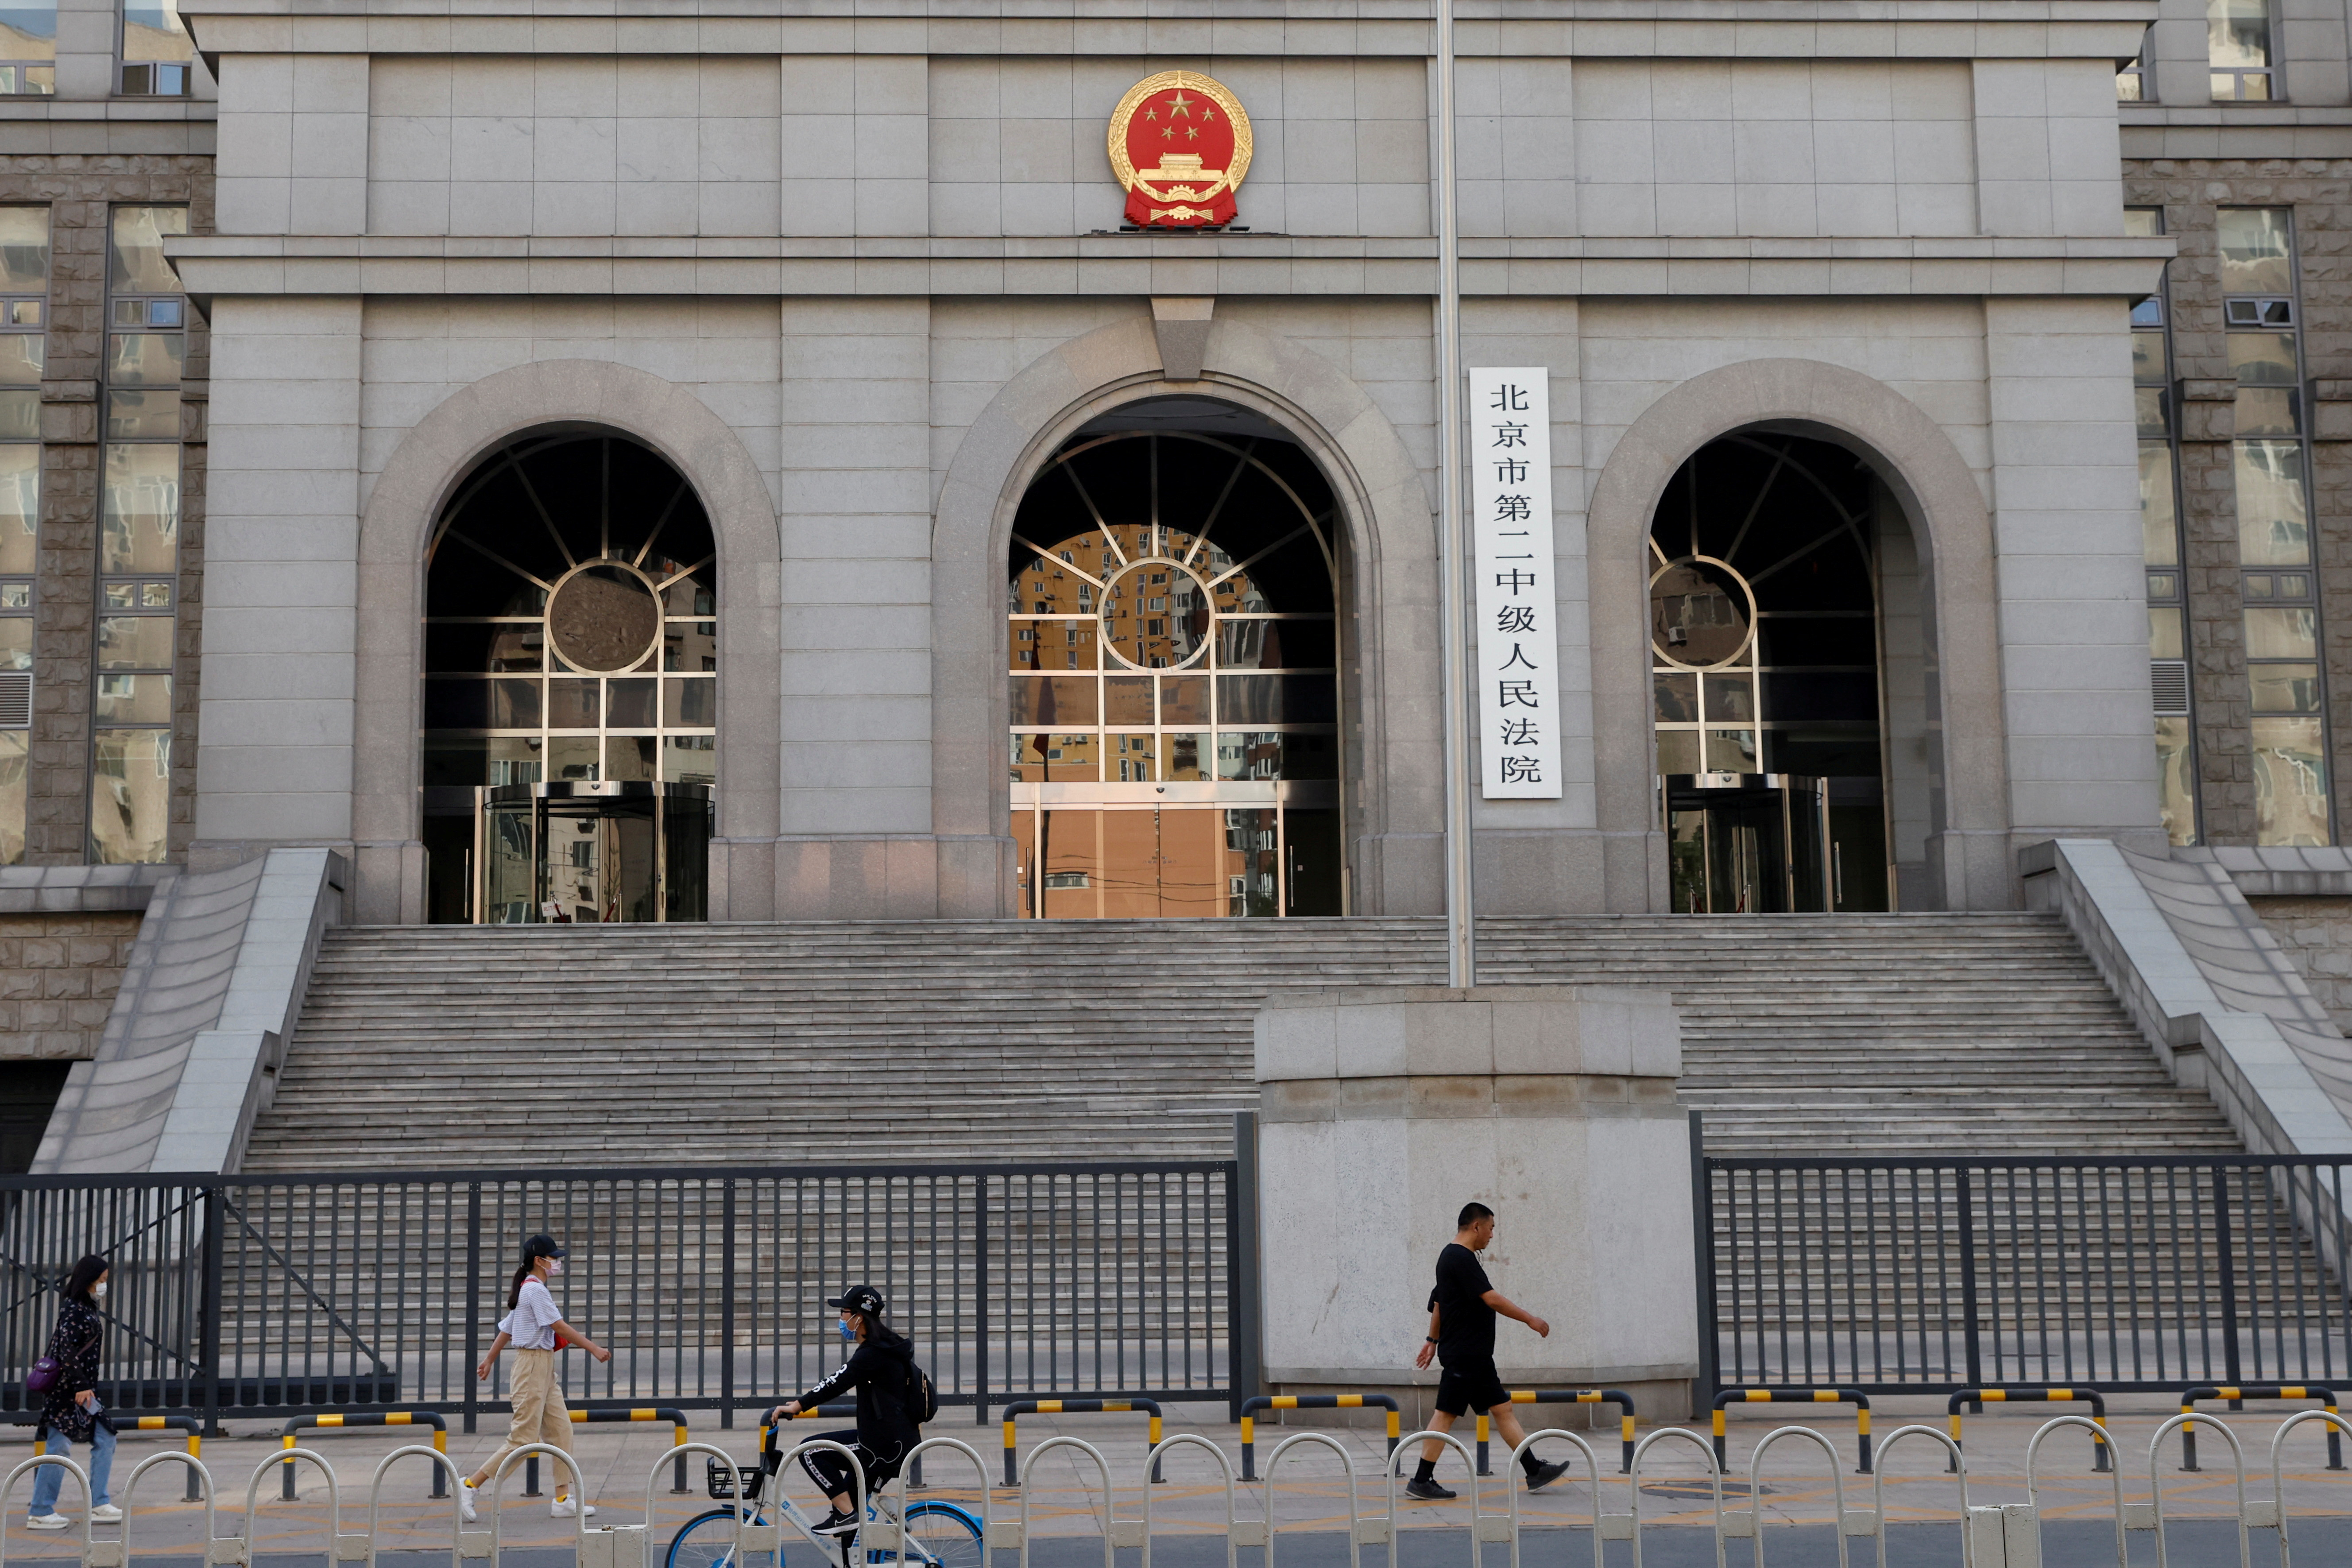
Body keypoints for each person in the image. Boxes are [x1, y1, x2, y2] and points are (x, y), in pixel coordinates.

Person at [1405, 1202, 1571, 1499]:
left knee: (1502, 1408)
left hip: (1475, 1356)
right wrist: (1530, 1318)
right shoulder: (1459, 1257)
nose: (1493, 1235)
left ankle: (1533, 1470)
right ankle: (1421, 1479)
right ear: (1476, 1226)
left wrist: (1432, 1341)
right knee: (1444, 1414)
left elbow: (1440, 1302)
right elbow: (1492, 1298)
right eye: (1491, 1228)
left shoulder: (1454, 1256)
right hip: (1465, 1354)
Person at [460, 1234, 611, 1522]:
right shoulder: (535, 1291)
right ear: (540, 1261)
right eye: (553, 1257)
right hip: (531, 1368)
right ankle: (469, 1485)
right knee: (523, 1439)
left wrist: (490, 1358)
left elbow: (507, 1328)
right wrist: (594, 1348)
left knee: (561, 1431)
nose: (558, 1262)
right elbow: (558, 1326)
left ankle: (563, 1498)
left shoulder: (528, 1288)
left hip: (542, 1369)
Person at [766, 1284, 920, 1543]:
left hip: (883, 1446)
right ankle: (848, 1521)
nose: (841, 1319)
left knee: (811, 1451)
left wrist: (796, 1406)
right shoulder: (886, 1346)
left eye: (844, 1313)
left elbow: (835, 1382)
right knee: (848, 1521)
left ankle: (847, 1516)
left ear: (858, 1317)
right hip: (895, 1441)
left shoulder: (873, 1354)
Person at [27, 1255, 117, 1529]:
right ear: (90, 1280)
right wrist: (81, 1386)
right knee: (58, 1448)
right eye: (102, 1281)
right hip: (71, 1393)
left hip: (84, 1392)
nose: (104, 1285)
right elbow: (66, 1351)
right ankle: (41, 1510)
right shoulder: (75, 1309)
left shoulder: (86, 1307)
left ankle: (99, 1502)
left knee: (106, 1436)